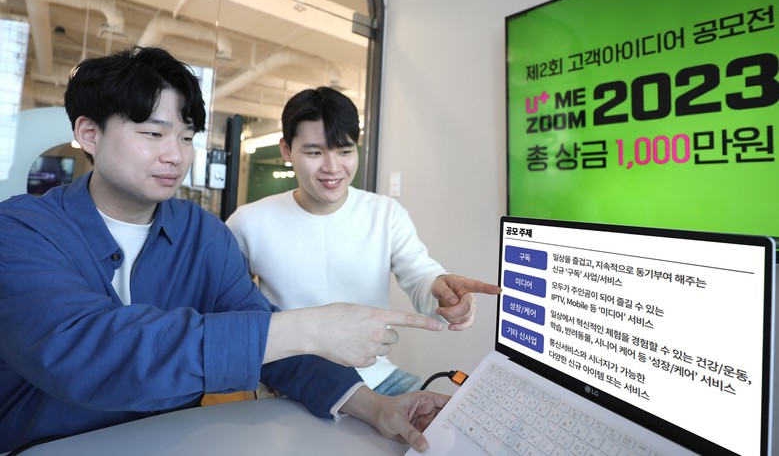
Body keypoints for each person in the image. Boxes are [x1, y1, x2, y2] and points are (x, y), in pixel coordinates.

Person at [0, 46, 451, 454]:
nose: (176, 155)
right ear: (89, 133)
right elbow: (86, 348)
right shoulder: (22, 229)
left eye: (186, 137)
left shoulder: (202, 233)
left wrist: (376, 407)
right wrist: (309, 327)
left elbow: (265, 334)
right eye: (154, 133)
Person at [226, 86, 501, 396]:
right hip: (290, 386)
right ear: (287, 150)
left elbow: (420, 275)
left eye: (344, 151)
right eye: (315, 152)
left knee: (451, 415)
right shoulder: (249, 222)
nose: (332, 167)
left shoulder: (385, 214)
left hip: (377, 378)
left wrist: (442, 291)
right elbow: (226, 308)